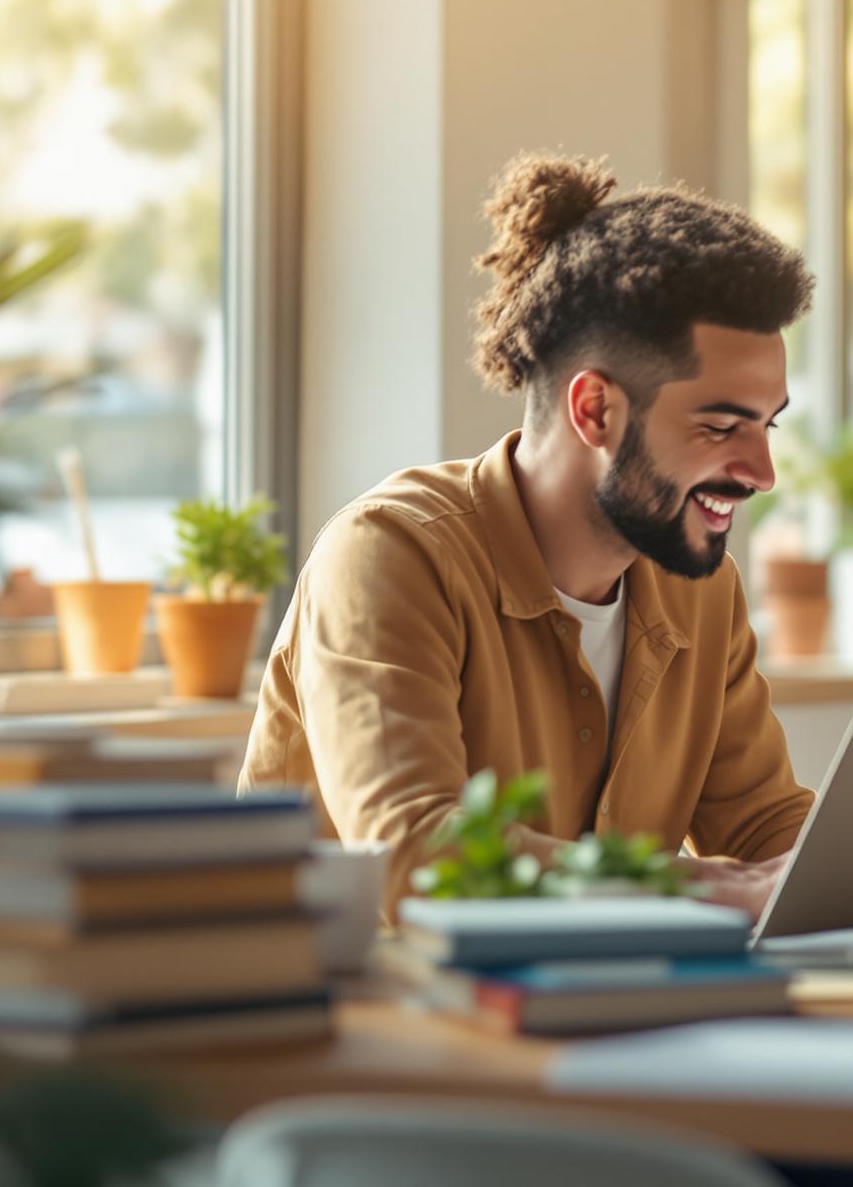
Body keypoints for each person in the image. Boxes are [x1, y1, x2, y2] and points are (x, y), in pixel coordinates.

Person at [241, 153, 814, 918]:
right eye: (720, 426)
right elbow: (413, 852)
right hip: (365, 987)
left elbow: (765, 830)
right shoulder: (388, 555)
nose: (762, 472)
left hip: (592, 991)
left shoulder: (698, 588)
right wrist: (702, 885)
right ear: (596, 411)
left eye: (767, 426)